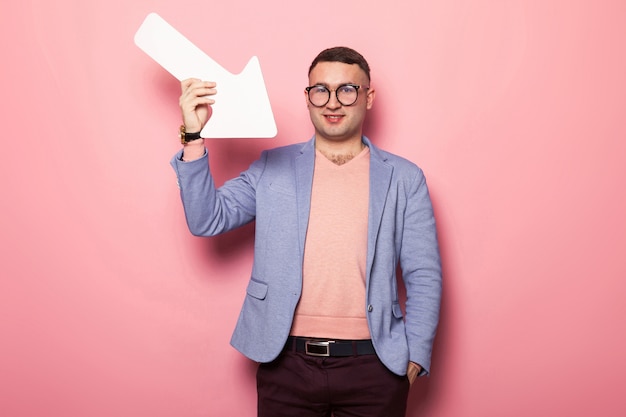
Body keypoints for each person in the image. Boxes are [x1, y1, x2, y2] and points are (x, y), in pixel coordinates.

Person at [171, 46, 442, 417]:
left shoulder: (405, 178)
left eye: (347, 90)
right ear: (308, 97)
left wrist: (413, 358)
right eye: (320, 90)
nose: (333, 102)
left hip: (375, 367)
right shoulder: (272, 166)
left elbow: (423, 274)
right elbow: (207, 219)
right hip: (287, 364)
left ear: (369, 97)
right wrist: (193, 135)